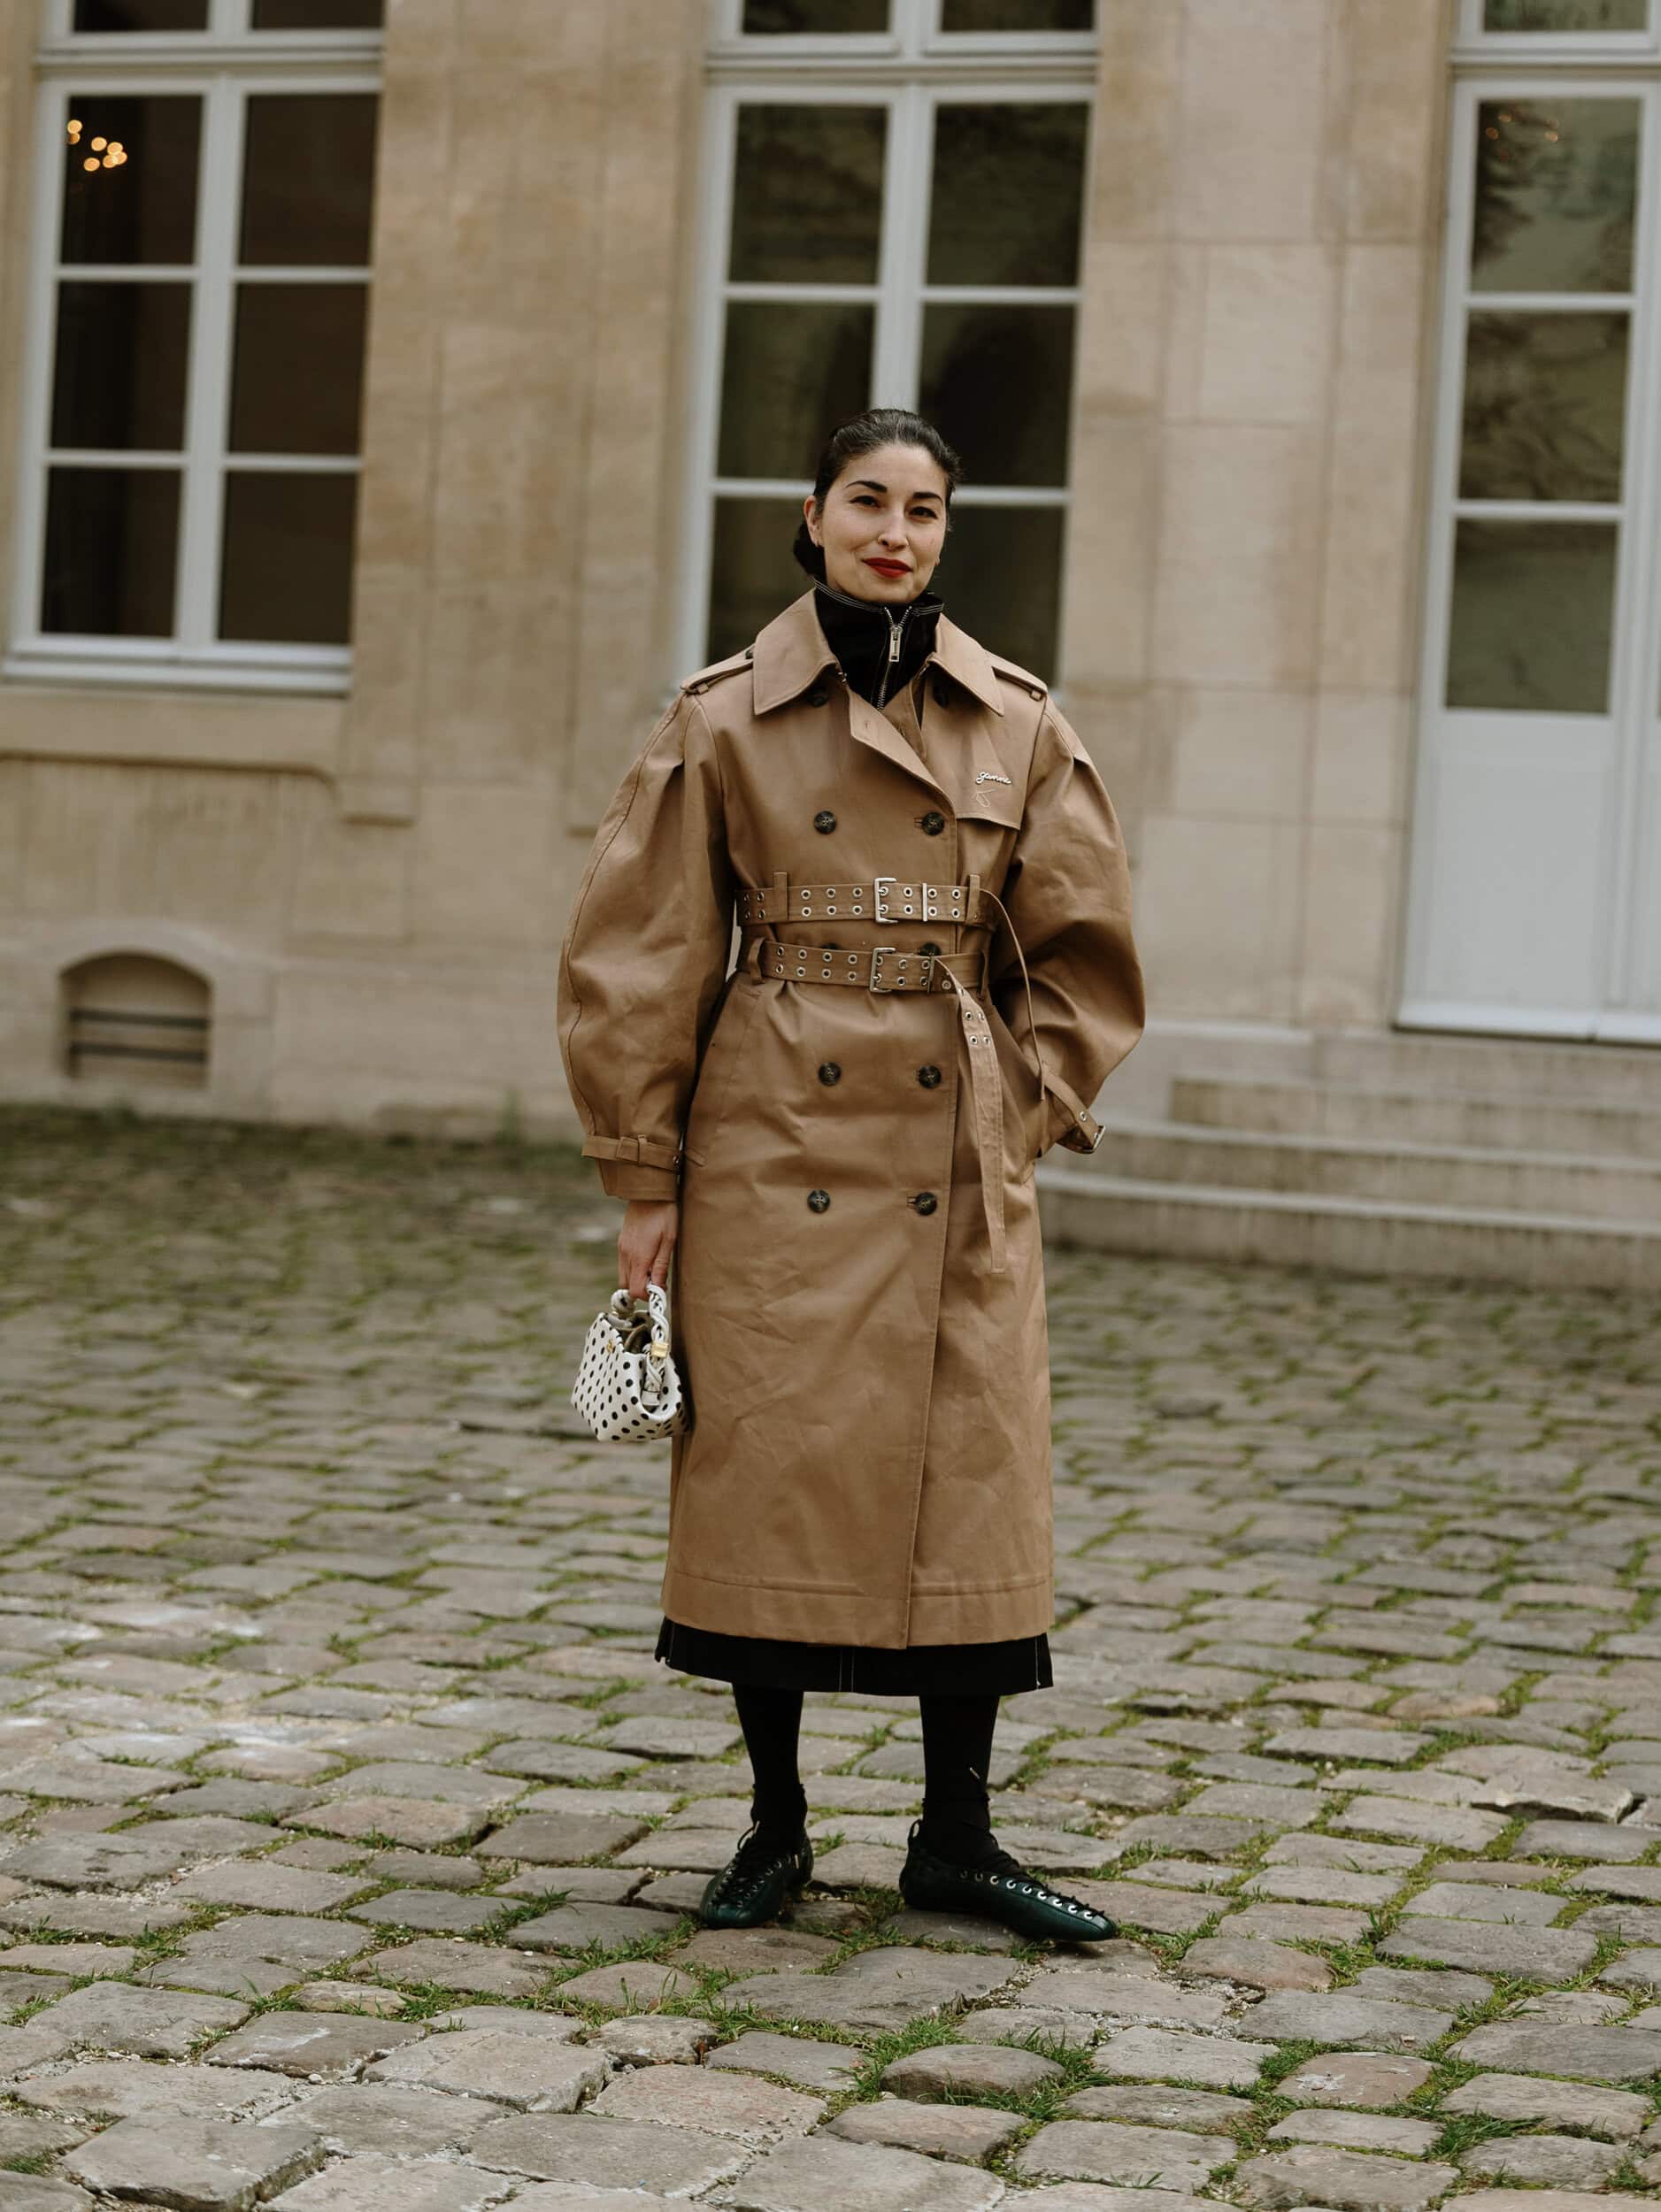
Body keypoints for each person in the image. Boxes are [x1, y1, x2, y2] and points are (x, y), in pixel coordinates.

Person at [557, 407, 1144, 1942]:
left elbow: (1085, 953)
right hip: (773, 1134)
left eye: (929, 508)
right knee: (763, 1467)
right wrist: (644, 1172)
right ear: (808, 516)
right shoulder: (722, 717)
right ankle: (775, 1826)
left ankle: (958, 1835)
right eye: (869, 500)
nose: (898, 530)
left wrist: (1015, 1108)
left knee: (973, 1483)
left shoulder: (1016, 720)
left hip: (951, 1144)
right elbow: (641, 950)